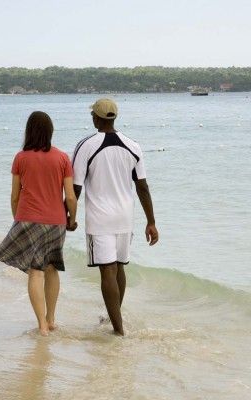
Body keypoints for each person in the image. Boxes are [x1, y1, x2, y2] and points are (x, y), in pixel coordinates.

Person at [71, 98, 158, 336]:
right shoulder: (133, 146)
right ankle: (113, 317)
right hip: (125, 217)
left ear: (96, 118)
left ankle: (118, 329)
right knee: (120, 268)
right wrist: (151, 222)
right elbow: (143, 187)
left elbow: (76, 187)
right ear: (114, 117)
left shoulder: (85, 145)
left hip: (100, 218)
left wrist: (69, 215)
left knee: (107, 271)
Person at [0, 111, 78, 336]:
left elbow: (14, 195)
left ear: (29, 131)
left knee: (35, 272)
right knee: (52, 268)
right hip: (56, 222)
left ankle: (41, 326)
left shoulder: (21, 158)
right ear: (50, 131)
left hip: (28, 219)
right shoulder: (62, 158)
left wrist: (17, 219)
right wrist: (72, 219)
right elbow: (70, 197)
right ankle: (51, 320)